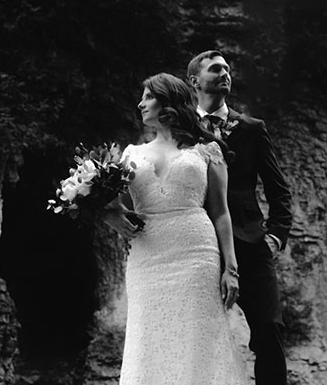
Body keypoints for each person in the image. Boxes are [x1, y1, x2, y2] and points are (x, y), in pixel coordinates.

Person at [104, 73, 248, 385]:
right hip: (147, 259)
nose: (140, 104)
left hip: (197, 256)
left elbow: (221, 213)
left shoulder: (208, 151)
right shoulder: (129, 155)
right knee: (148, 338)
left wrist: (231, 268)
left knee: (197, 340)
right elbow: (108, 205)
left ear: (167, 101)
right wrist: (110, 215)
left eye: (148, 97)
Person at [187, 50, 293, 385]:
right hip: (197, 244)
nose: (225, 74)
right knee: (195, 337)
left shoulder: (251, 128)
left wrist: (275, 235)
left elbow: (279, 189)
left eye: (228, 70)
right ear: (194, 80)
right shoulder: (181, 129)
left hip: (250, 242)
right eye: (215, 69)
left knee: (270, 329)